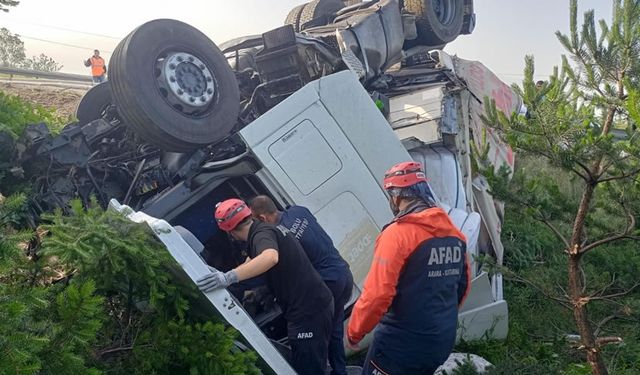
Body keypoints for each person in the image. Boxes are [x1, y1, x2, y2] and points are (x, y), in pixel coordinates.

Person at [346, 161, 471, 375]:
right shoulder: (455, 235)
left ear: (396, 196)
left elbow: (377, 294)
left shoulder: (398, 235)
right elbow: (462, 287)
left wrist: (354, 333)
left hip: (400, 345)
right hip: (440, 341)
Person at [197, 198, 334, 375]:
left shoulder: (261, 235)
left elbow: (270, 257)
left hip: (308, 311)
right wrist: (224, 275)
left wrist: (228, 277)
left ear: (229, 232)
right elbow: (250, 262)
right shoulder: (260, 231)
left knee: (309, 370)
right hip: (311, 306)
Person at [249, 196, 354, 375]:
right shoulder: (300, 211)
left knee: (318, 338)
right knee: (334, 328)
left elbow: (290, 270)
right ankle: (339, 371)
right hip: (343, 274)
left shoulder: (281, 235)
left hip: (327, 283)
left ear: (262, 219)